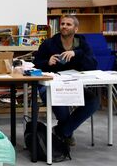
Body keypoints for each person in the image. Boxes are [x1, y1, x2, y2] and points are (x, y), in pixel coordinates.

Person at [33, 15, 99, 147]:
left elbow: (93, 65)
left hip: (74, 84)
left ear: (76, 28)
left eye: (68, 24)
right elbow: (35, 65)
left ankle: (62, 131)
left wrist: (77, 54)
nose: (64, 26)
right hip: (50, 85)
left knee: (93, 100)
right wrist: (47, 62)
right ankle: (66, 132)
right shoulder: (49, 43)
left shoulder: (82, 44)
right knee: (58, 97)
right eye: (62, 24)